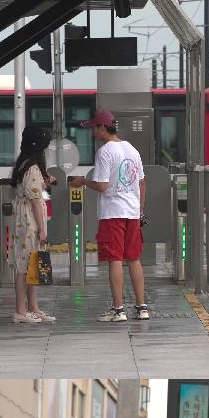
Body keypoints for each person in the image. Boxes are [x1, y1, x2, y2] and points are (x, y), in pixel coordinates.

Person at [69, 109, 149, 323]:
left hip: (113, 213)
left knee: (115, 259)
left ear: (102, 127)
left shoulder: (105, 152)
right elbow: (142, 183)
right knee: (133, 259)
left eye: (94, 128)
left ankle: (118, 309)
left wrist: (82, 182)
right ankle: (142, 307)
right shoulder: (132, 149)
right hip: (132, 213)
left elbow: (103, 186)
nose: (92, 132)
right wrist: (140, 211)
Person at [10, 125, 58, 324]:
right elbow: (37, 201)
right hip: (30, 222)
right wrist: (43, 228)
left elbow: (31, 189)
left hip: (24, 219)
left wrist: (44, 181)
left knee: (32, 264)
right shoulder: (32, 167)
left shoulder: (24, 165)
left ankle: (33, 308)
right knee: (25, 265)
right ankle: (21, 311)